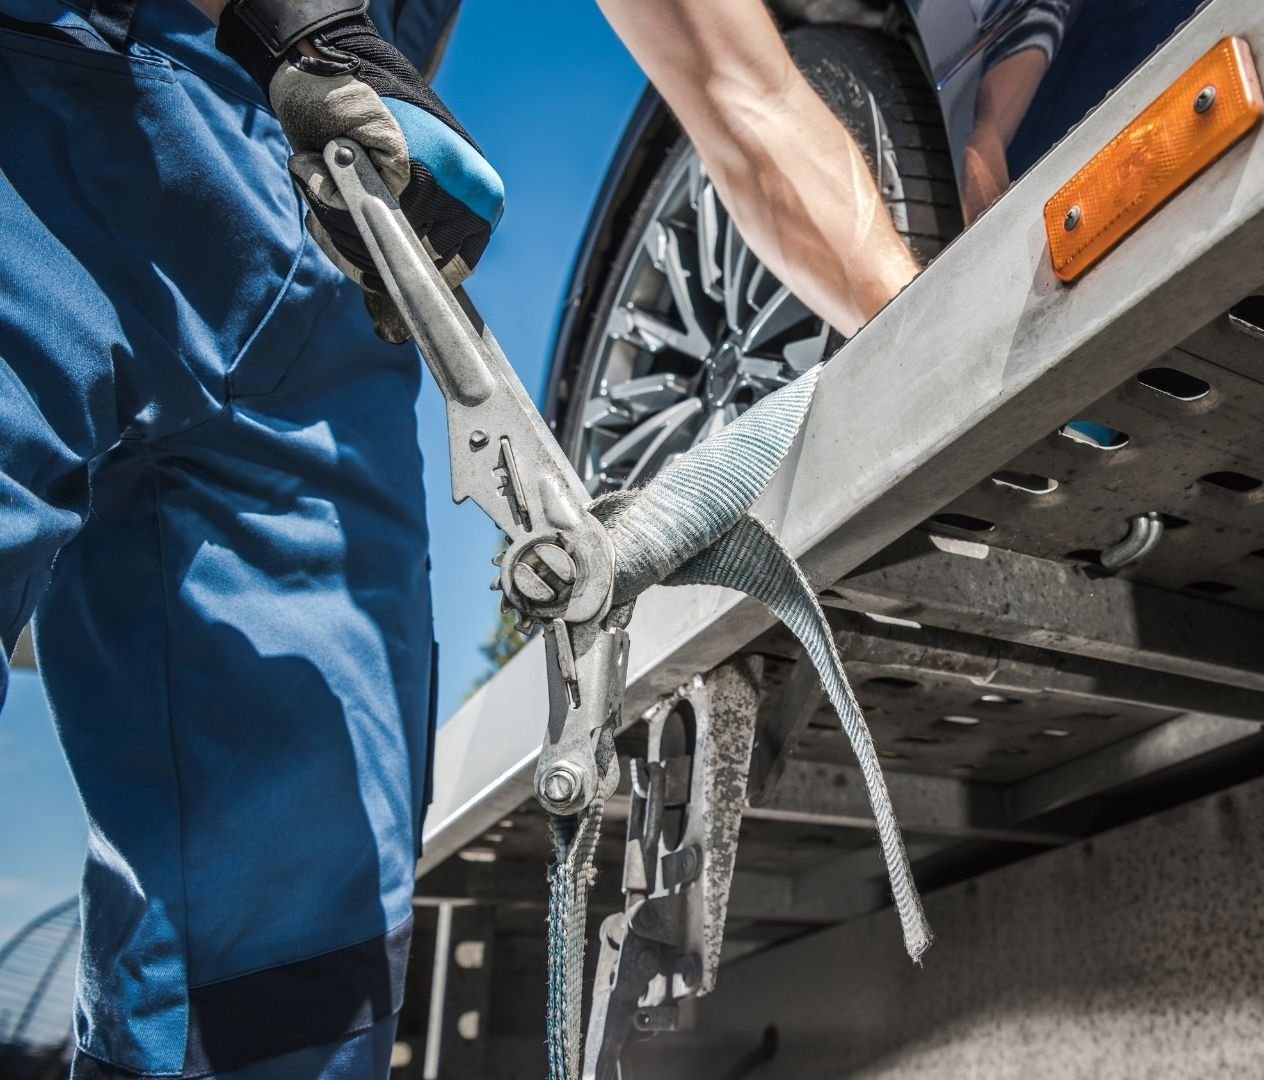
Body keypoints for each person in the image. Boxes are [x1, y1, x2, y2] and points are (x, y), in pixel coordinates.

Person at [0, 0, 917, 1075]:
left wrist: (943, 343)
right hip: (49, 101)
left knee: (291, 972)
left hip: (326, 257)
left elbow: (744, 90)